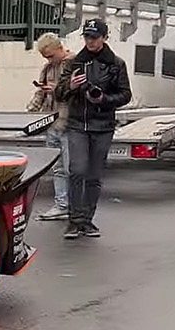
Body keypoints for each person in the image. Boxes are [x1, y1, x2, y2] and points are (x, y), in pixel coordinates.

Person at [54, 17, 132, 239]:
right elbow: (58, 93)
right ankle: (74, 220)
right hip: (78, 123)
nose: (90, 41)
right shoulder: (74, 63)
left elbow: (125, 94)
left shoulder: (116, 64)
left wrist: (104, 99)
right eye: (87, 37)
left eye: (94, 37)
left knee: (94, 175)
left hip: (103, 125)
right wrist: (70, 86)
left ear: (104, 38)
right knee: (77, 170)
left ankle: (87, 220)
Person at [28, 33, 71, 221]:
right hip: (52, 123)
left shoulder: (74, 64)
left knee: (71, 167)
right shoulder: (48, 68)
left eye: (51, 56)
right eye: (46, 58)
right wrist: (31, 111)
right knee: (58, 168)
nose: (49, 60)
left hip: (70, 123)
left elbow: (77, 92)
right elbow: (40, 92)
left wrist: (57, 89)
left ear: (60, 49)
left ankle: (74, 206)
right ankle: (62, 204)